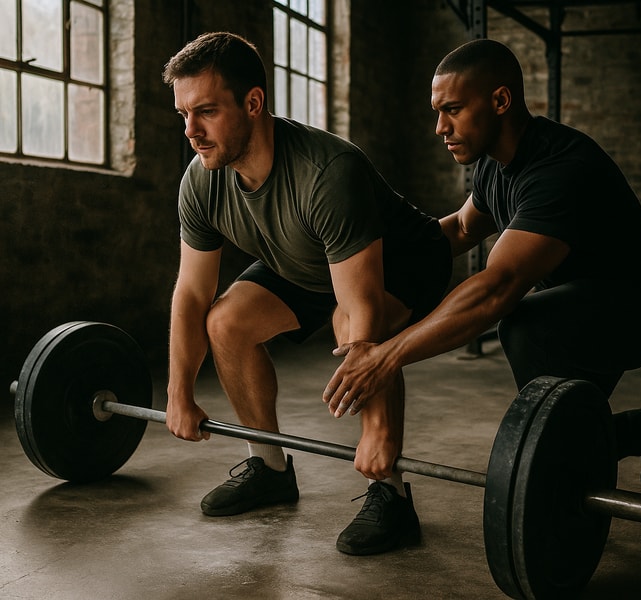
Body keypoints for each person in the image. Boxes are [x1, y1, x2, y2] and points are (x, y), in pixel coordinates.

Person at [323, 39, 641, 488]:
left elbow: (498, 287)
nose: (440, 127)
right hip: (578, 309)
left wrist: (386, 357)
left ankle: (587, 460)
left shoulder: (560, 169)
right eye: (437, 111)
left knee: (525, 328)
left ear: (500, 101)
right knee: (561, 436)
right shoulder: (496, 165)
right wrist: (363, 260)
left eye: (452, 109)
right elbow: (458, 229)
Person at [161, 32, 452, 556]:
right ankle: (269, 468)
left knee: (349, 324)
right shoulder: (202, 181)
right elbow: (191, 292)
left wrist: (375, 432)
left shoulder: (325, 173)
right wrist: (179, 391)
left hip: (404, 261)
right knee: (225, 322)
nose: (191, 131)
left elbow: (360, 309)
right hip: (306, 260)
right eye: (183, 114)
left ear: (254, 103)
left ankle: (389, 493)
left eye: (205, 111)